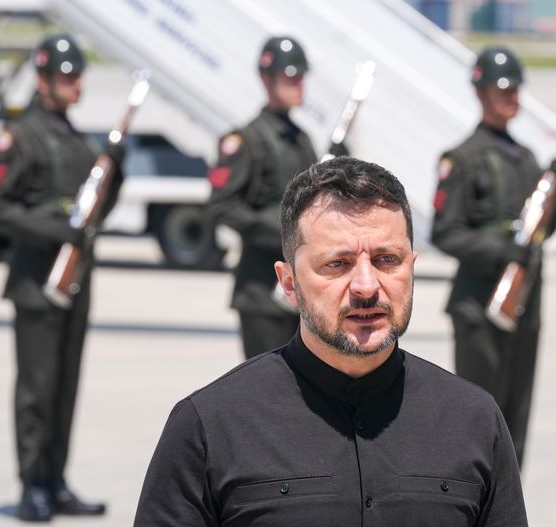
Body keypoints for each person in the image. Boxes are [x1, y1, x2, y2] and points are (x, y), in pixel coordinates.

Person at [135, 157, 527, 526]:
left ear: (411, 267)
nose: (366, 286)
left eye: (387, 260)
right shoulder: (211, 426)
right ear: (289, 283)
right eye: (337, 264)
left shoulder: (474, 420)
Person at [0, 34, 124, 522]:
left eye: (79, 74)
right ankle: (32, 485)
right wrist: (56, 230)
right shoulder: (19, 137)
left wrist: (118, 169)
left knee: (65, 388)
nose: (76, 83)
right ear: (43, 80)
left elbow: (95, 211)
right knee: (36, 390)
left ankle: (57, 480)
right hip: (35, 283)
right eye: (67, 75)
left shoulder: (76, 139)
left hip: (74, 282)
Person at [430, 46, 556, 467]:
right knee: (478, 427)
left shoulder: (524, 157)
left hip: (523, 309)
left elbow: (539, 233)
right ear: (481, 92)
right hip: (479, 310)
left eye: (516, 89)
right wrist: (500, 251)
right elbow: (445, 232)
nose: (513, 96)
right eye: (503, 89)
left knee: (515, 427)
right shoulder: (462, 158)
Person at [207, 36, 348, 360]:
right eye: (290, 77)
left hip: (302, 291)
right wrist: (283, 233)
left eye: (301, 77)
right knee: (266, 385)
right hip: (261, 289)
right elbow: (222, 205)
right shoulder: (245, 139)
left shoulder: (302, 140)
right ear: (267, 79)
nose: (299, 84)